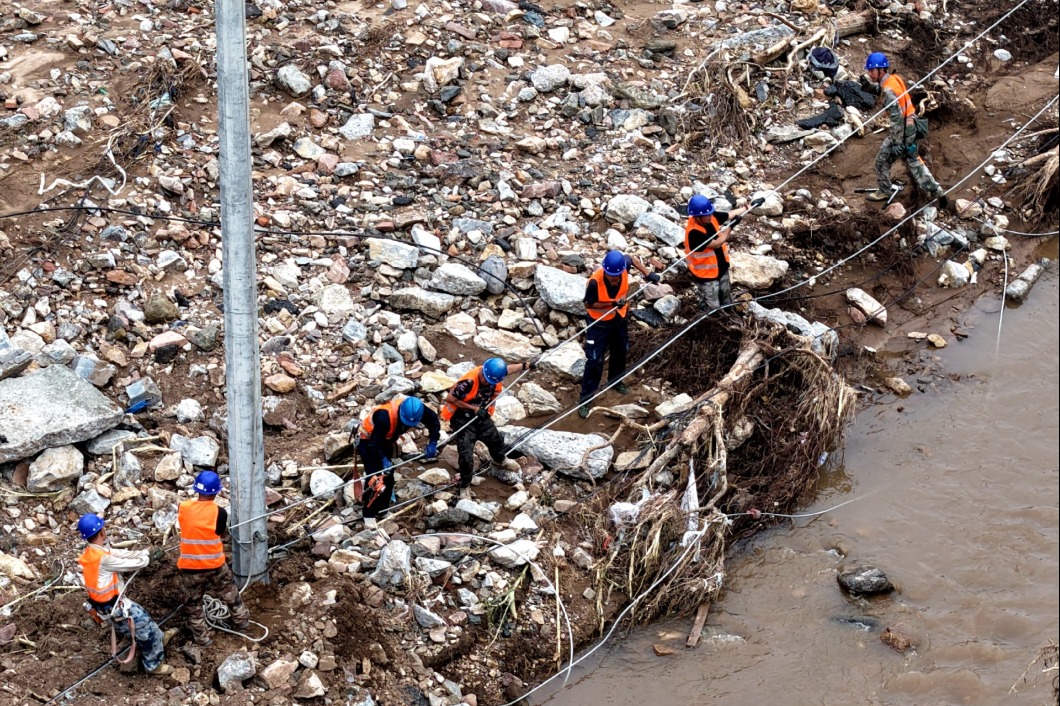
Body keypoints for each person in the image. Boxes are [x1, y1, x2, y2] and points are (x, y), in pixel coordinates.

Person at [76, 514, 174, 675]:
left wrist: (145, 552)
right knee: (145, 632)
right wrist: (148, 558)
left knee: (145, 620)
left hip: (108, 606)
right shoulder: (104, 560)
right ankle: (154, 665)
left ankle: (159, 638)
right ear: (101, 532)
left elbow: (121, 554)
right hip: (116, 608)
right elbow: (135, 564)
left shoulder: (92, 554)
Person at [578, 249, 661, 418]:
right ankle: (585, 399)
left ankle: (615, 381)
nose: (615, 280)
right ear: (606, 272)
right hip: (599, 323)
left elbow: (631, 257)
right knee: (595, 360)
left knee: (620, 350)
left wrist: (647, 273)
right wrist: (611, 304)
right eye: (611, 277)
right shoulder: (595, 283)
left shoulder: (623, 266)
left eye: (617, 277)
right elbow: (589, 305)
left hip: (619, 318)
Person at [860, 52, 947, 206]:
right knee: (913, 161)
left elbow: (896, 119)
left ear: (881, 70)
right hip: (912, 126)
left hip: (903, 131)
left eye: (872, 70)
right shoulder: (895, 79)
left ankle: (885, 190)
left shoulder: (888, 91)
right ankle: (935, 189)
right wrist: (871, 88)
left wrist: (897, 142)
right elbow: (891, 93)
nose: (869, 73)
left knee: (881, 161)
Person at [176, 470, 250, 647]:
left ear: (197, 490)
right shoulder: (220, 512)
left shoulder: (184, 508)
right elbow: (222, 535)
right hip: (215, 565)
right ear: (216, 492)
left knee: (193, 604)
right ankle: (241, 621)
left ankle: (202, 638)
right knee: (230, 593)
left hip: (190, 568)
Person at [441, 357, 531, 496]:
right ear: (483, 371)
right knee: (466, 455)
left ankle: (499, 460)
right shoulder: (468, 382)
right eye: (485, 379)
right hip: (463, 418)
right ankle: (465, 485)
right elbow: (451, 399)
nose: (486, 381)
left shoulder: (495, 372)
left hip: (481, 415)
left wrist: (525, 365)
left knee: (495, 439)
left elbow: (508, 369)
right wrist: (474, 409)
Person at [357, 395, 441, 525]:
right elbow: (374, 443)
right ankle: (368, 513)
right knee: (375, 478)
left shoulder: (418, 410)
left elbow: (434, 421)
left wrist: (433, 442)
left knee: (389, 477)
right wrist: (383, 459)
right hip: (368, 441)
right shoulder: (384, 416)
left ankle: (382, 509)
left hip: (386, 440)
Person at [684, 194, 754, 312]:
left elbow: (729, 215)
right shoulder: (694, 233)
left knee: (726, 299)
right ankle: (711, 322)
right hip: (706, 276)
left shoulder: (710, 216)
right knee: (712, 307)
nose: (711, 216)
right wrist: (730, 227)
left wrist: (749, 207)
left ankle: (729, 316)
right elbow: (717, 243)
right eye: (707, 215)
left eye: (711, 213)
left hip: (721, 268)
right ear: (698, 217)